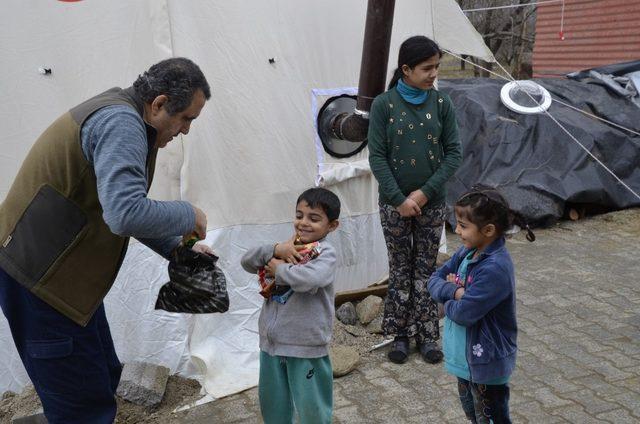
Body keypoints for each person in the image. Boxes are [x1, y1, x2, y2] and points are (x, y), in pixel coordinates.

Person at [0, 57, 212, 423]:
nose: (186, 130)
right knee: (80, 405)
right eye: (186, 119)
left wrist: (177, 249)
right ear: (159, 103)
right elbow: (124, 213)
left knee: (99, 374)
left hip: (62, 277)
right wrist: (188, 214)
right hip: (40, 283)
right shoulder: (120, 122)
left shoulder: (125, 115)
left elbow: (113, 209)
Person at [368, 35, 462, 364]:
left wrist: (422, 193)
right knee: (400, 270)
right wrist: (398, 198)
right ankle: (400, 335)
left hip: (431, 204)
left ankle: (428, 336)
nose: (434, 73)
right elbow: (377, 157)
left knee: (424, 270)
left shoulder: (442, 104)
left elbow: (454, 154)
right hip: (394, 205)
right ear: (406, 70)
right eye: (427, 68)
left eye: (436, 66)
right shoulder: (383, 105)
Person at [427, 185, 535, 423]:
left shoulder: (495, 267)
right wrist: (456, 292)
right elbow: (433, 280)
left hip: (486, 364)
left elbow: (465, 313)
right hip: (465, 362)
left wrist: (450, 300)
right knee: (475, 417)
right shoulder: (467, 252)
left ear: (488, 230)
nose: (457, 231)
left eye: (463, 226)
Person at [240, 188, 340, 424]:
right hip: (272, 344)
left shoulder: (325, 254)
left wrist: (280, 270)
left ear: (332, 226)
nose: (303, 223)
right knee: (273, 406)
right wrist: (274, 250)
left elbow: (310, 279)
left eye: (314, 219)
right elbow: (247, 261)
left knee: (312, 408)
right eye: (299, 215)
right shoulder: (286, 247)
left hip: (306, 345)